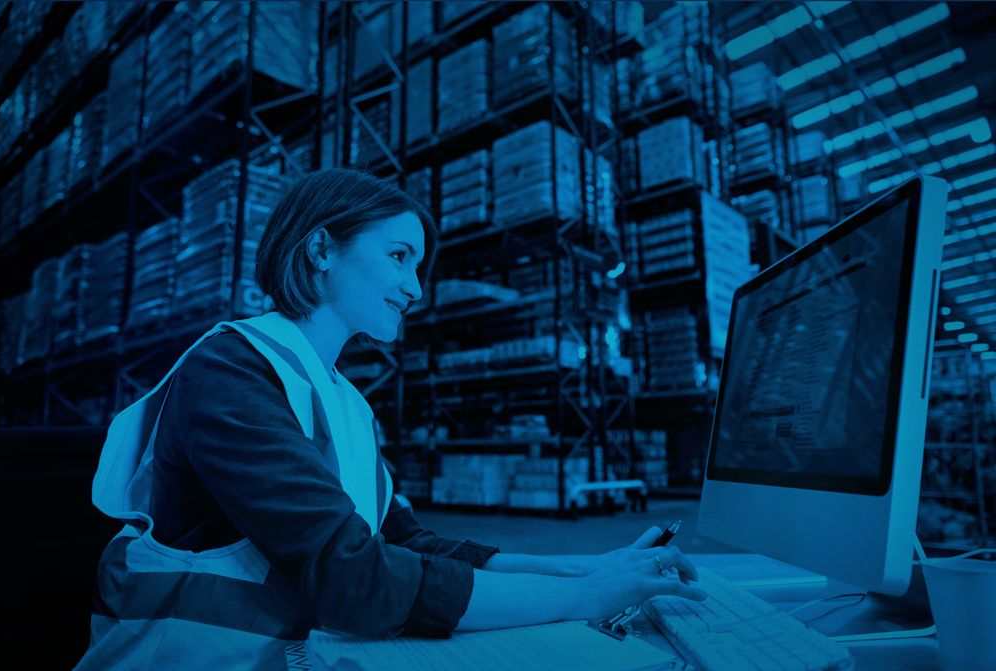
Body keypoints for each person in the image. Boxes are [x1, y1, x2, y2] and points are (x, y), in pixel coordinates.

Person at [77, 168, 707, 670]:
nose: (416, 288)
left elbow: (406, 543)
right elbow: (355, 577)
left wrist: (586, 567)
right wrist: (585, 598)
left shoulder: (345, 400)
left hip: (294, 655)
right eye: (400, 255)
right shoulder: (228, 372)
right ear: (321, 247)